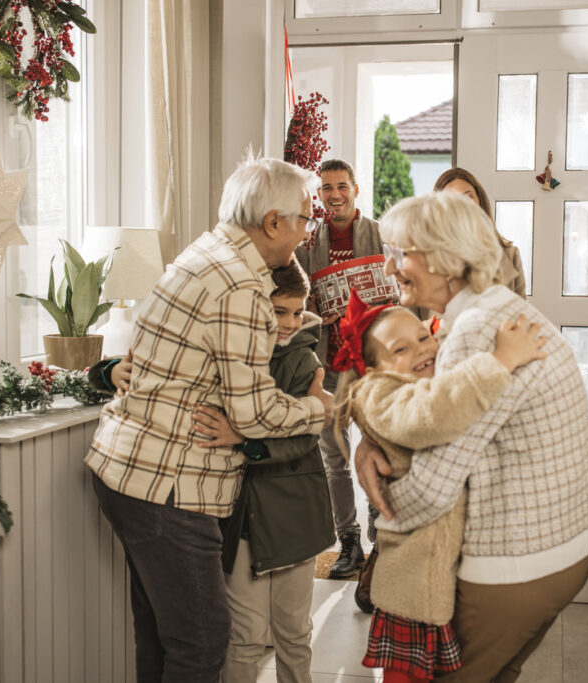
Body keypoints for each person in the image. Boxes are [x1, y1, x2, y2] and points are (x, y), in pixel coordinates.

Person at [85, 156, 333, 683]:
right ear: (272, 222)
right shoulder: (241, 286)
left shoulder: (204, 252)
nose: (308, 232)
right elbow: (255, 411)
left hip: (127, 471)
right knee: (201, 642)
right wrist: (316, 409)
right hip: (168, 488)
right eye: (305, 219)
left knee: (160, 632)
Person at [356, 191, 588, 682]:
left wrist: (384, 513)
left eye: (401, 253)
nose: (390, 268)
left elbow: (433, 488)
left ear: (447, 260)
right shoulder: (499, 310)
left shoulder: (475, 331)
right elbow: (431, 413)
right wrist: (372, 442)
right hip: (565, 549)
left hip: (519, 561)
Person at [330, 292, 546, 682]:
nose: (421, 349)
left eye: (423, 336)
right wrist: (502, 360)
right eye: (400, 348)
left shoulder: (417, 382)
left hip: (442, 576)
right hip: (414, 589)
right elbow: (433, 415)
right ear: (373, 371)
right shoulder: (381, 395)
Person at [188, 260, 334, 683]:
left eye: (296, 310)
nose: (289, 322)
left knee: (293, 631)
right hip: (245, 516)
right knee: (246, 634)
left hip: (294, 514)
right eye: (278, 310)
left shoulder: (305, 362)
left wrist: (245, 440)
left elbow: (306, 433)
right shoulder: (229, 355)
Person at [294, 158, 381, 578]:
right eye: (327, 188)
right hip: (326, 369)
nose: (334, 195)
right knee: (334, 460)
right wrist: (313, 311)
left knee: (379, 453)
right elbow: (293, 303)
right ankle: (349, 543)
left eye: (341, 186)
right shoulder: (307, 245)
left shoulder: (381, 235)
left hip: (370, 368)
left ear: (356, 189)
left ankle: (381, 541)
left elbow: (398, 289)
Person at [432, 167, 527, 298]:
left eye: (468, 197)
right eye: (451, 200)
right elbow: (405, 315)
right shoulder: (421, 258)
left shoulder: (511, 255)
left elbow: (522, 314)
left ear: (480, 202)